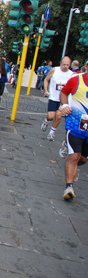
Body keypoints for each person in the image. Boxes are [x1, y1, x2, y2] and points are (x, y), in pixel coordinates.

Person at [58, 70, 88, 200]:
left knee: (82, 159)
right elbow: (64, 92)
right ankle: (68, 187)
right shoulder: (76, 80)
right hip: (75, 124)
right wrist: (65, 105)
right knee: (74, 156)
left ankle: (74, 167)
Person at [41, 57, 74, 141]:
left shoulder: (71, 74)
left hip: (63, 100)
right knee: (51, 116)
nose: (65, 66)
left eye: (67, 65)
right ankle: (46, 121)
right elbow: (46, 80)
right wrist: (46, 90)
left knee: (59, 116)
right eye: (64, 64)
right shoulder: (54, 70)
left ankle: (51, 133)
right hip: (53, 97)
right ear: (60, 63)